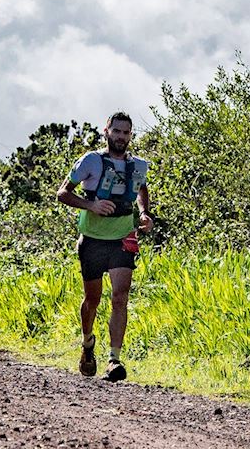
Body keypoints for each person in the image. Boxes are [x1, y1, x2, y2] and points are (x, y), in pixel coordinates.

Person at [56, 111, 152, 382]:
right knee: (93, 300)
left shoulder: (139, 165)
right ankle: (88, 344)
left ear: (131, 135)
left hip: (123, 237)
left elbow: (142, 190)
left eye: (126, 133)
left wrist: (144, 214)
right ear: (106, 131)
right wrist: (91, 205)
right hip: (93, 239)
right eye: (117, 131)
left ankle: (114, 360)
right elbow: (62, 193)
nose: (121, 137)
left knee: (120, 297)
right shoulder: (91, 161)